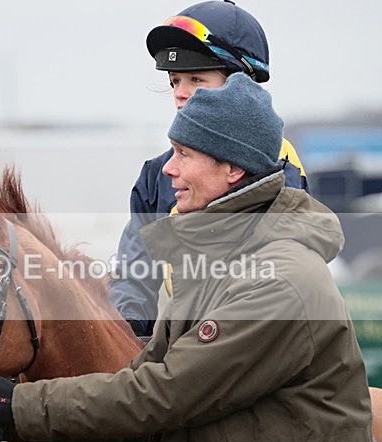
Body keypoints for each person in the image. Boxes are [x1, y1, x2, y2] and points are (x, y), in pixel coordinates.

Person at [0, 73, 379, 442]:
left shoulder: (279, 282)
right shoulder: (213, 269)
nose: (168, 169)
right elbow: (138, 389)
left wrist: (19, 405)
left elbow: (161, 397)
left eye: (184, 154)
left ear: (233, 169)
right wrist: (16, 419)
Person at [110, 0, 310, 337]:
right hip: (189, 346)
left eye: (196, 80)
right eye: (174, 81)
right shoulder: (156, 175)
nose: (180, 94)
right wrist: (127, 335)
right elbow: (133, 275)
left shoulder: (279, 164)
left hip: (260, 342)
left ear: (241, 87)